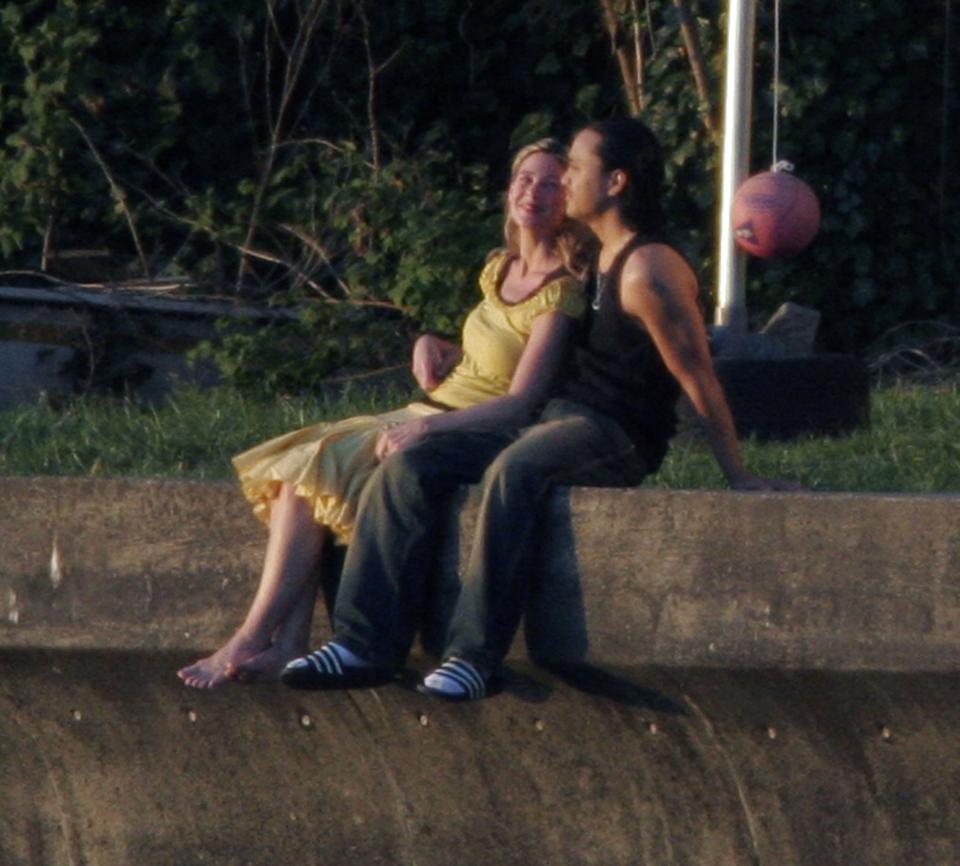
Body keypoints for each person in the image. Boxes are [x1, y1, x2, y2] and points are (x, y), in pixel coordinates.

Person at [280, 117, 800, 699]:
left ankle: (474, 657)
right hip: (557, 415)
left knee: (516, 471)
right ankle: (363, 645)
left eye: (576, 167)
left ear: (616, 182)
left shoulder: (649, 270)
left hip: (614, 433)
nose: (565, 177)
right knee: (409, 464)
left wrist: (739, 475)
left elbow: (697, 374)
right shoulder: (601, 256)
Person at [176, 138, 592, 689]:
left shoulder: (559, 294)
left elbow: (520, 400)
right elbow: (484, 356)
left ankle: (253, 635)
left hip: (460, 424)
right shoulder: (500, 268)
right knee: (297, 472)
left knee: (311, 467)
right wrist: (433, 343)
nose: (532, 193)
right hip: (429, 404)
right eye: (523, 179)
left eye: (549, 184)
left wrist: (428, 427)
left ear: (569, 202)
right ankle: (290, 641)